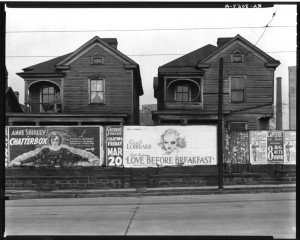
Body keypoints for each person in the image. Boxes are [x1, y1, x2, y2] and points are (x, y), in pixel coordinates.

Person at [9, 131, 101, 167]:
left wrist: (89, 158)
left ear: (59, 140)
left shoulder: (64, 149)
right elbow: (34, 157)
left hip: (62, 172)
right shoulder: (45, 150)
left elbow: (75, 156)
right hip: (46, 171)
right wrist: (20, 162)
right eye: (53, 140)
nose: (55, 142)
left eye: (57, 140)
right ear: (50, 140)